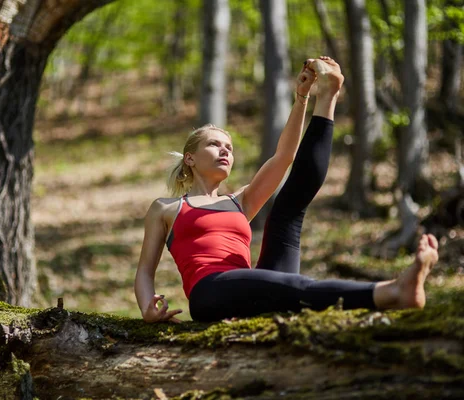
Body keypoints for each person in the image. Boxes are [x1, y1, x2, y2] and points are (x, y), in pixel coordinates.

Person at [134, 56, 439, 323]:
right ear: (190, 158)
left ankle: (328, 97)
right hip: (209, 292)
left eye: (229, 147)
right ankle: (392, 292)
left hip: (250, 288)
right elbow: (146, 270)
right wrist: (148, 307)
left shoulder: (239, 201)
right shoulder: (167, 208)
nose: (225, 151)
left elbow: (284, 158)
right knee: (296, 286)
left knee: (287, 210)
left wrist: (302, 98)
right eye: (214, 144)